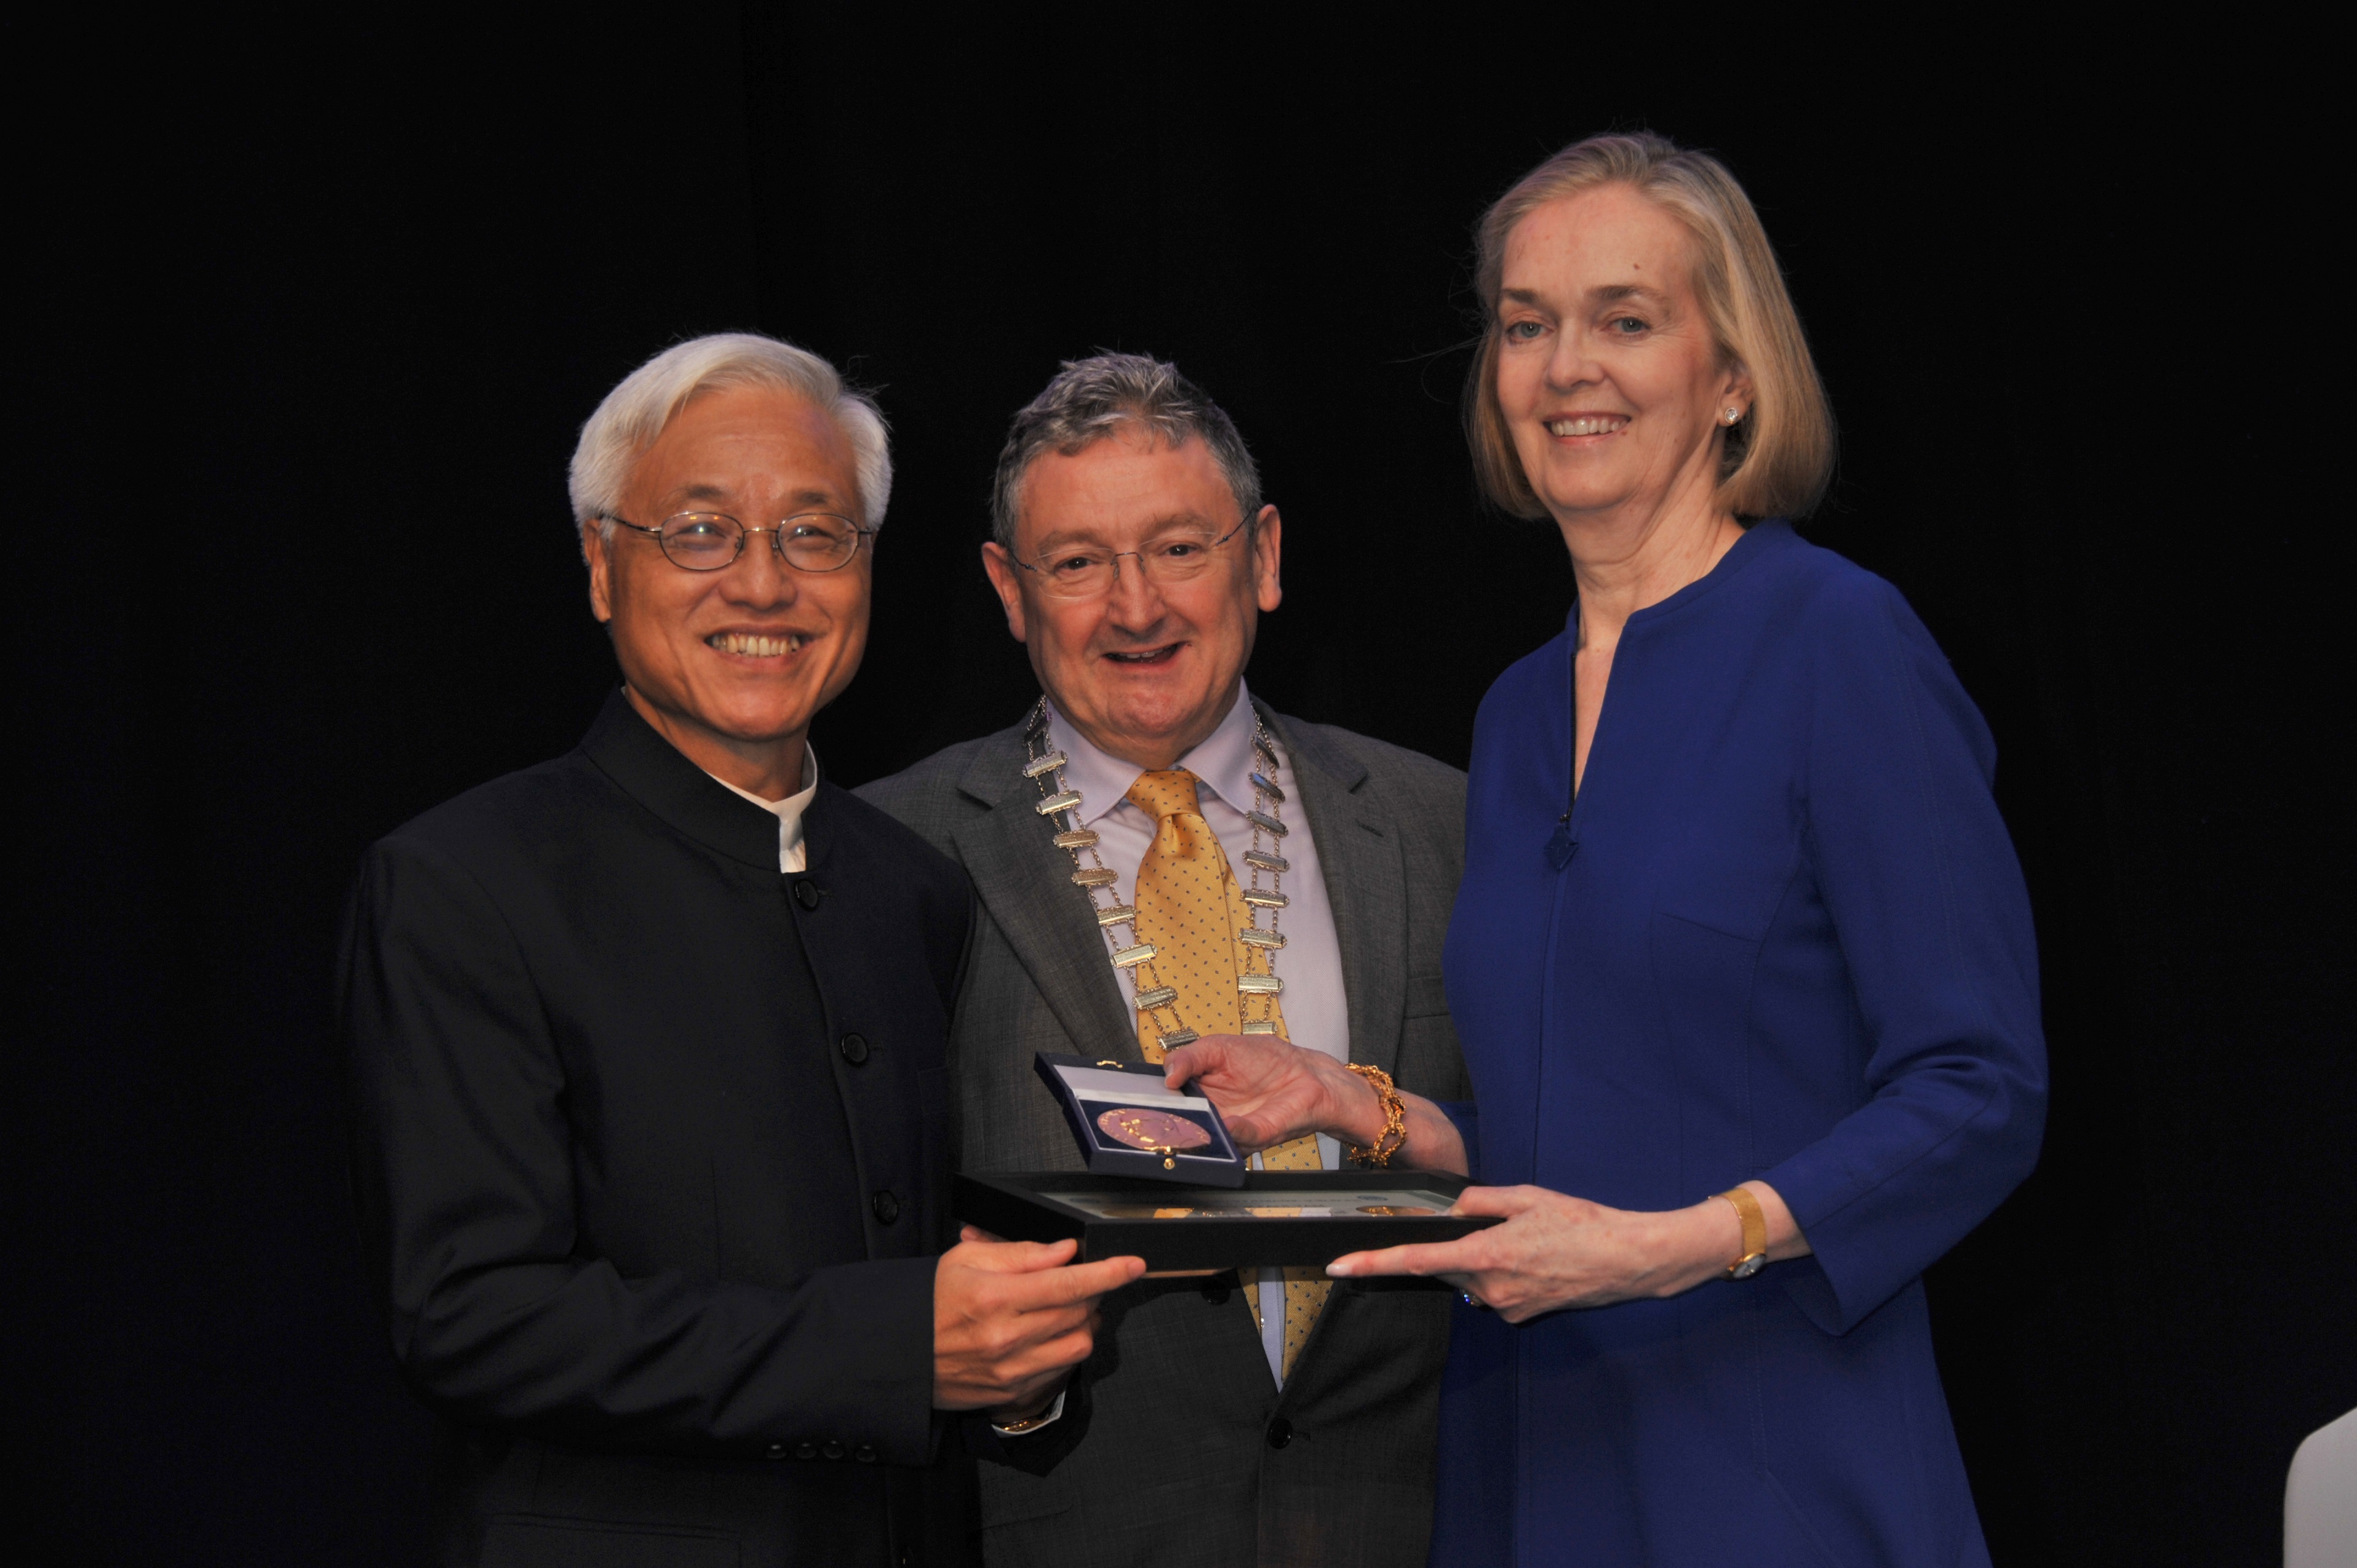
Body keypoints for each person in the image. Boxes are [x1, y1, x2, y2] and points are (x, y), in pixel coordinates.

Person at [1165, 133, 2046, 1566]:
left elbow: (1980, 1089)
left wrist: (1675, 1245)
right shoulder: (1514, 713)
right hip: (1534, 1451)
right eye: (1525, 326)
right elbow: (1590, 1122)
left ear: (1732, 375)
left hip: (1773, 1458)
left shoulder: (1841, 644)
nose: (1565, 366)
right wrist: (1366, 1110)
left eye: (1623, 320)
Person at [340, 333, 1141, 1568]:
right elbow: (473, 1320)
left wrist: (1012, 1371)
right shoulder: (463, 882)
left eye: (814, 534)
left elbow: (925, 1284)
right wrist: (896, 1346)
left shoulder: (911, 887)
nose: (764, 585)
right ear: (602, 566)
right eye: (701, 533)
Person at [859, 353, 1472, 1567]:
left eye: (1180, 548)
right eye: (1078, 563)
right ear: (1008, 589)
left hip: (1419, 1529)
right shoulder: (890, 854)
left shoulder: (1449, 824)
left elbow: (1564, 1158)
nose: (1136, 609)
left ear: (1264, 556)